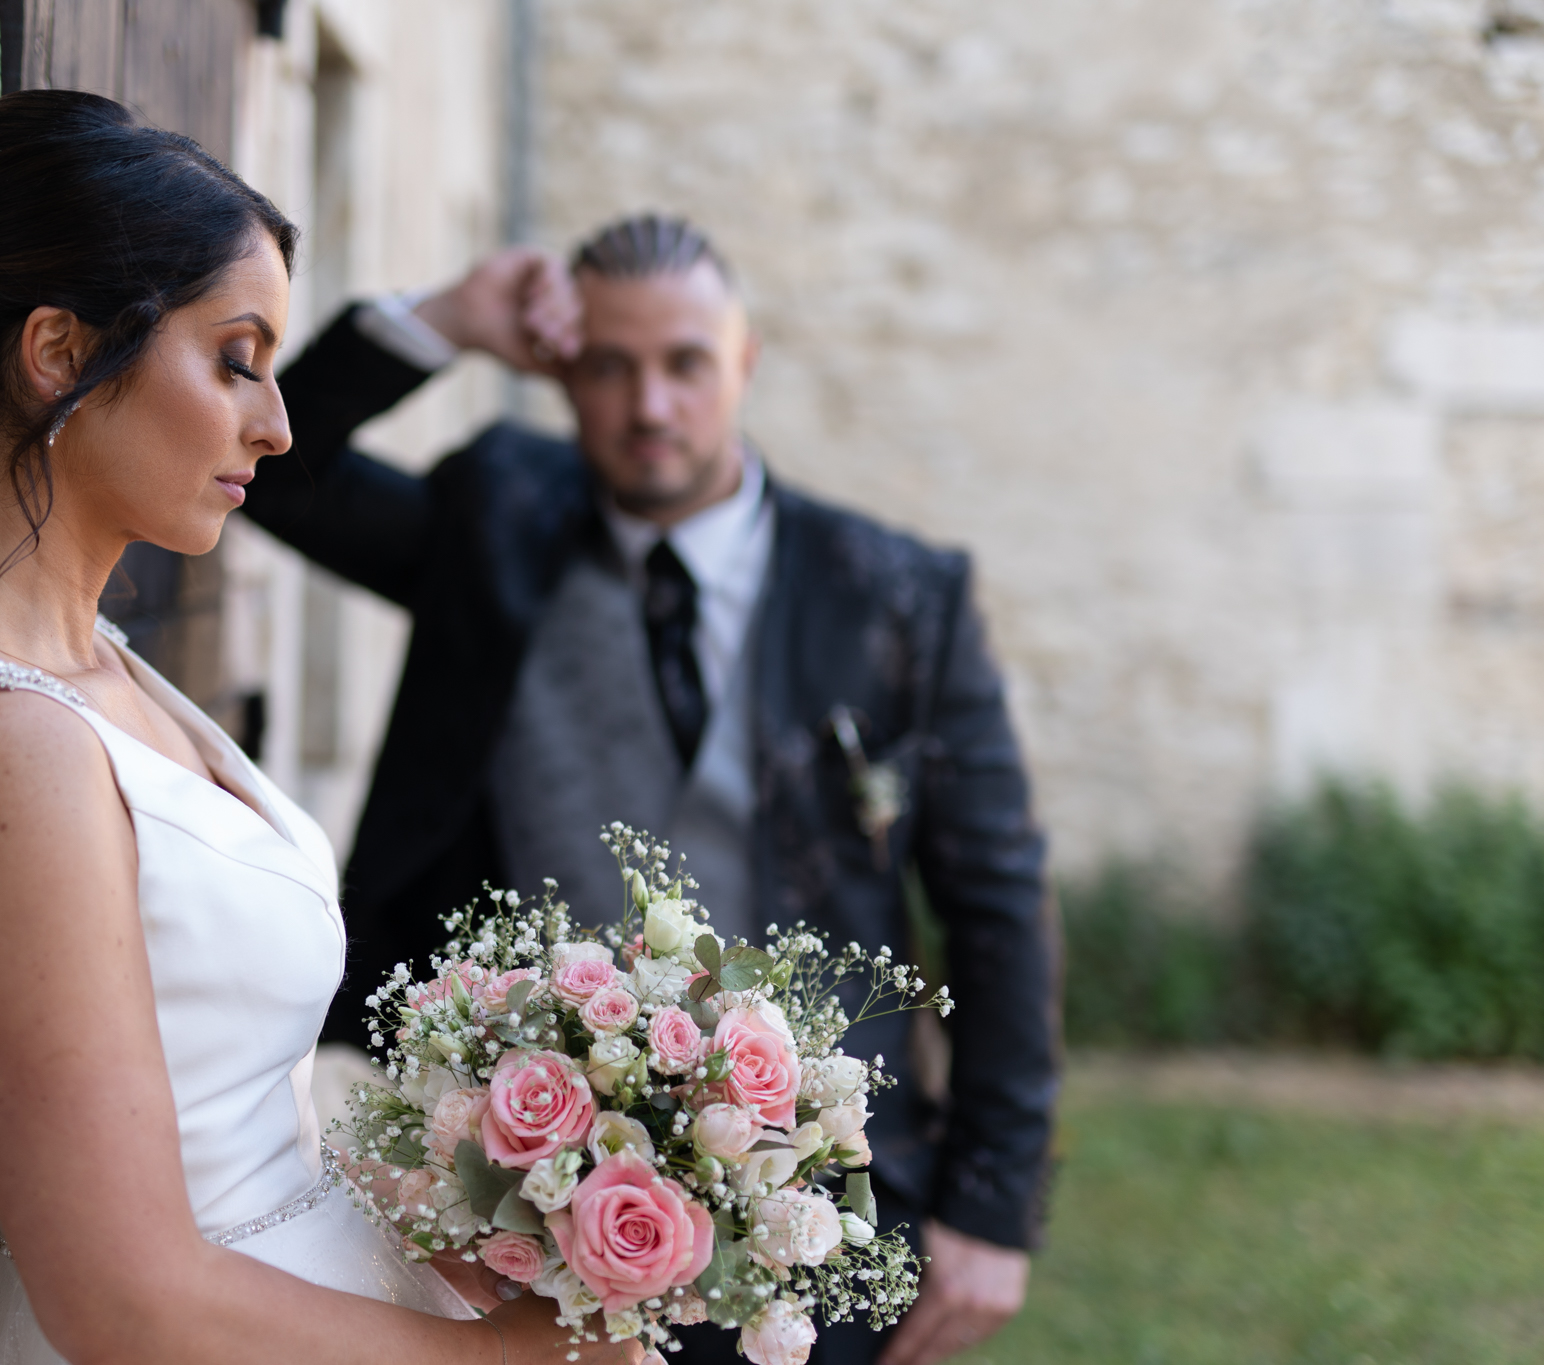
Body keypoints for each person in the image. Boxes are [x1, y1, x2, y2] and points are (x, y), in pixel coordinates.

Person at [0, 92, 640, 1365]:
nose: (274, 425)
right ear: (58, 352)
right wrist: (507, 1361)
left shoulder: (101, 675)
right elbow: (122, 1299)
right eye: (236, 358)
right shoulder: (15, 745)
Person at [245, 216, 1058, 1365]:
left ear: (743, 360)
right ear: (562, 373)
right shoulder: (496, 521)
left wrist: (990, 1204)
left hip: (815, 1197)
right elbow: (275, 472)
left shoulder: (891, 598)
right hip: (520, 1204)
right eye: (608, 367)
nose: (649, 407)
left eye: (683, 363)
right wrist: (450, 321)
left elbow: (998, 904)